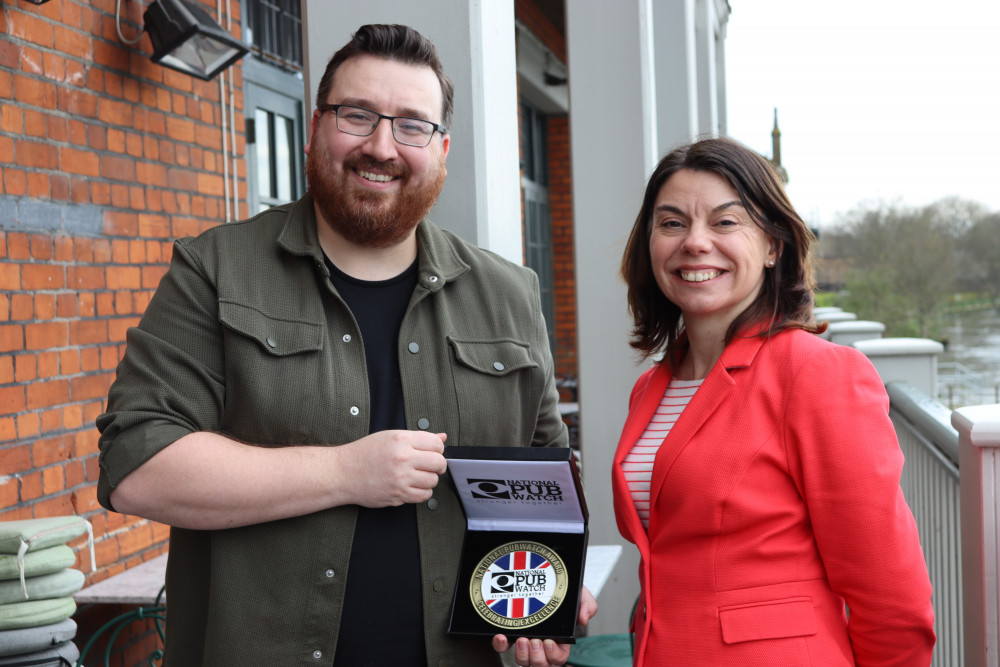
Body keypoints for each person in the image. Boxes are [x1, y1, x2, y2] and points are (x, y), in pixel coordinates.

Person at [96, 23, 595, 667]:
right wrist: (344, 472)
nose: (382, 146)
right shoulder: (216, 270)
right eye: (357, 115)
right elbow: (137, 468)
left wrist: (547, 602)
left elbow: (542, 481)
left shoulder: (508, 293)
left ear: (442, 149)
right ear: (315, 127)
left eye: (412, 125)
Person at [612, 137, 936, 665]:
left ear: (772, 246)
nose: (695, 242)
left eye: (724, 222)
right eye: (671, 223)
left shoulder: (816, 374)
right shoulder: (652, 389)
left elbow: (892, 596)